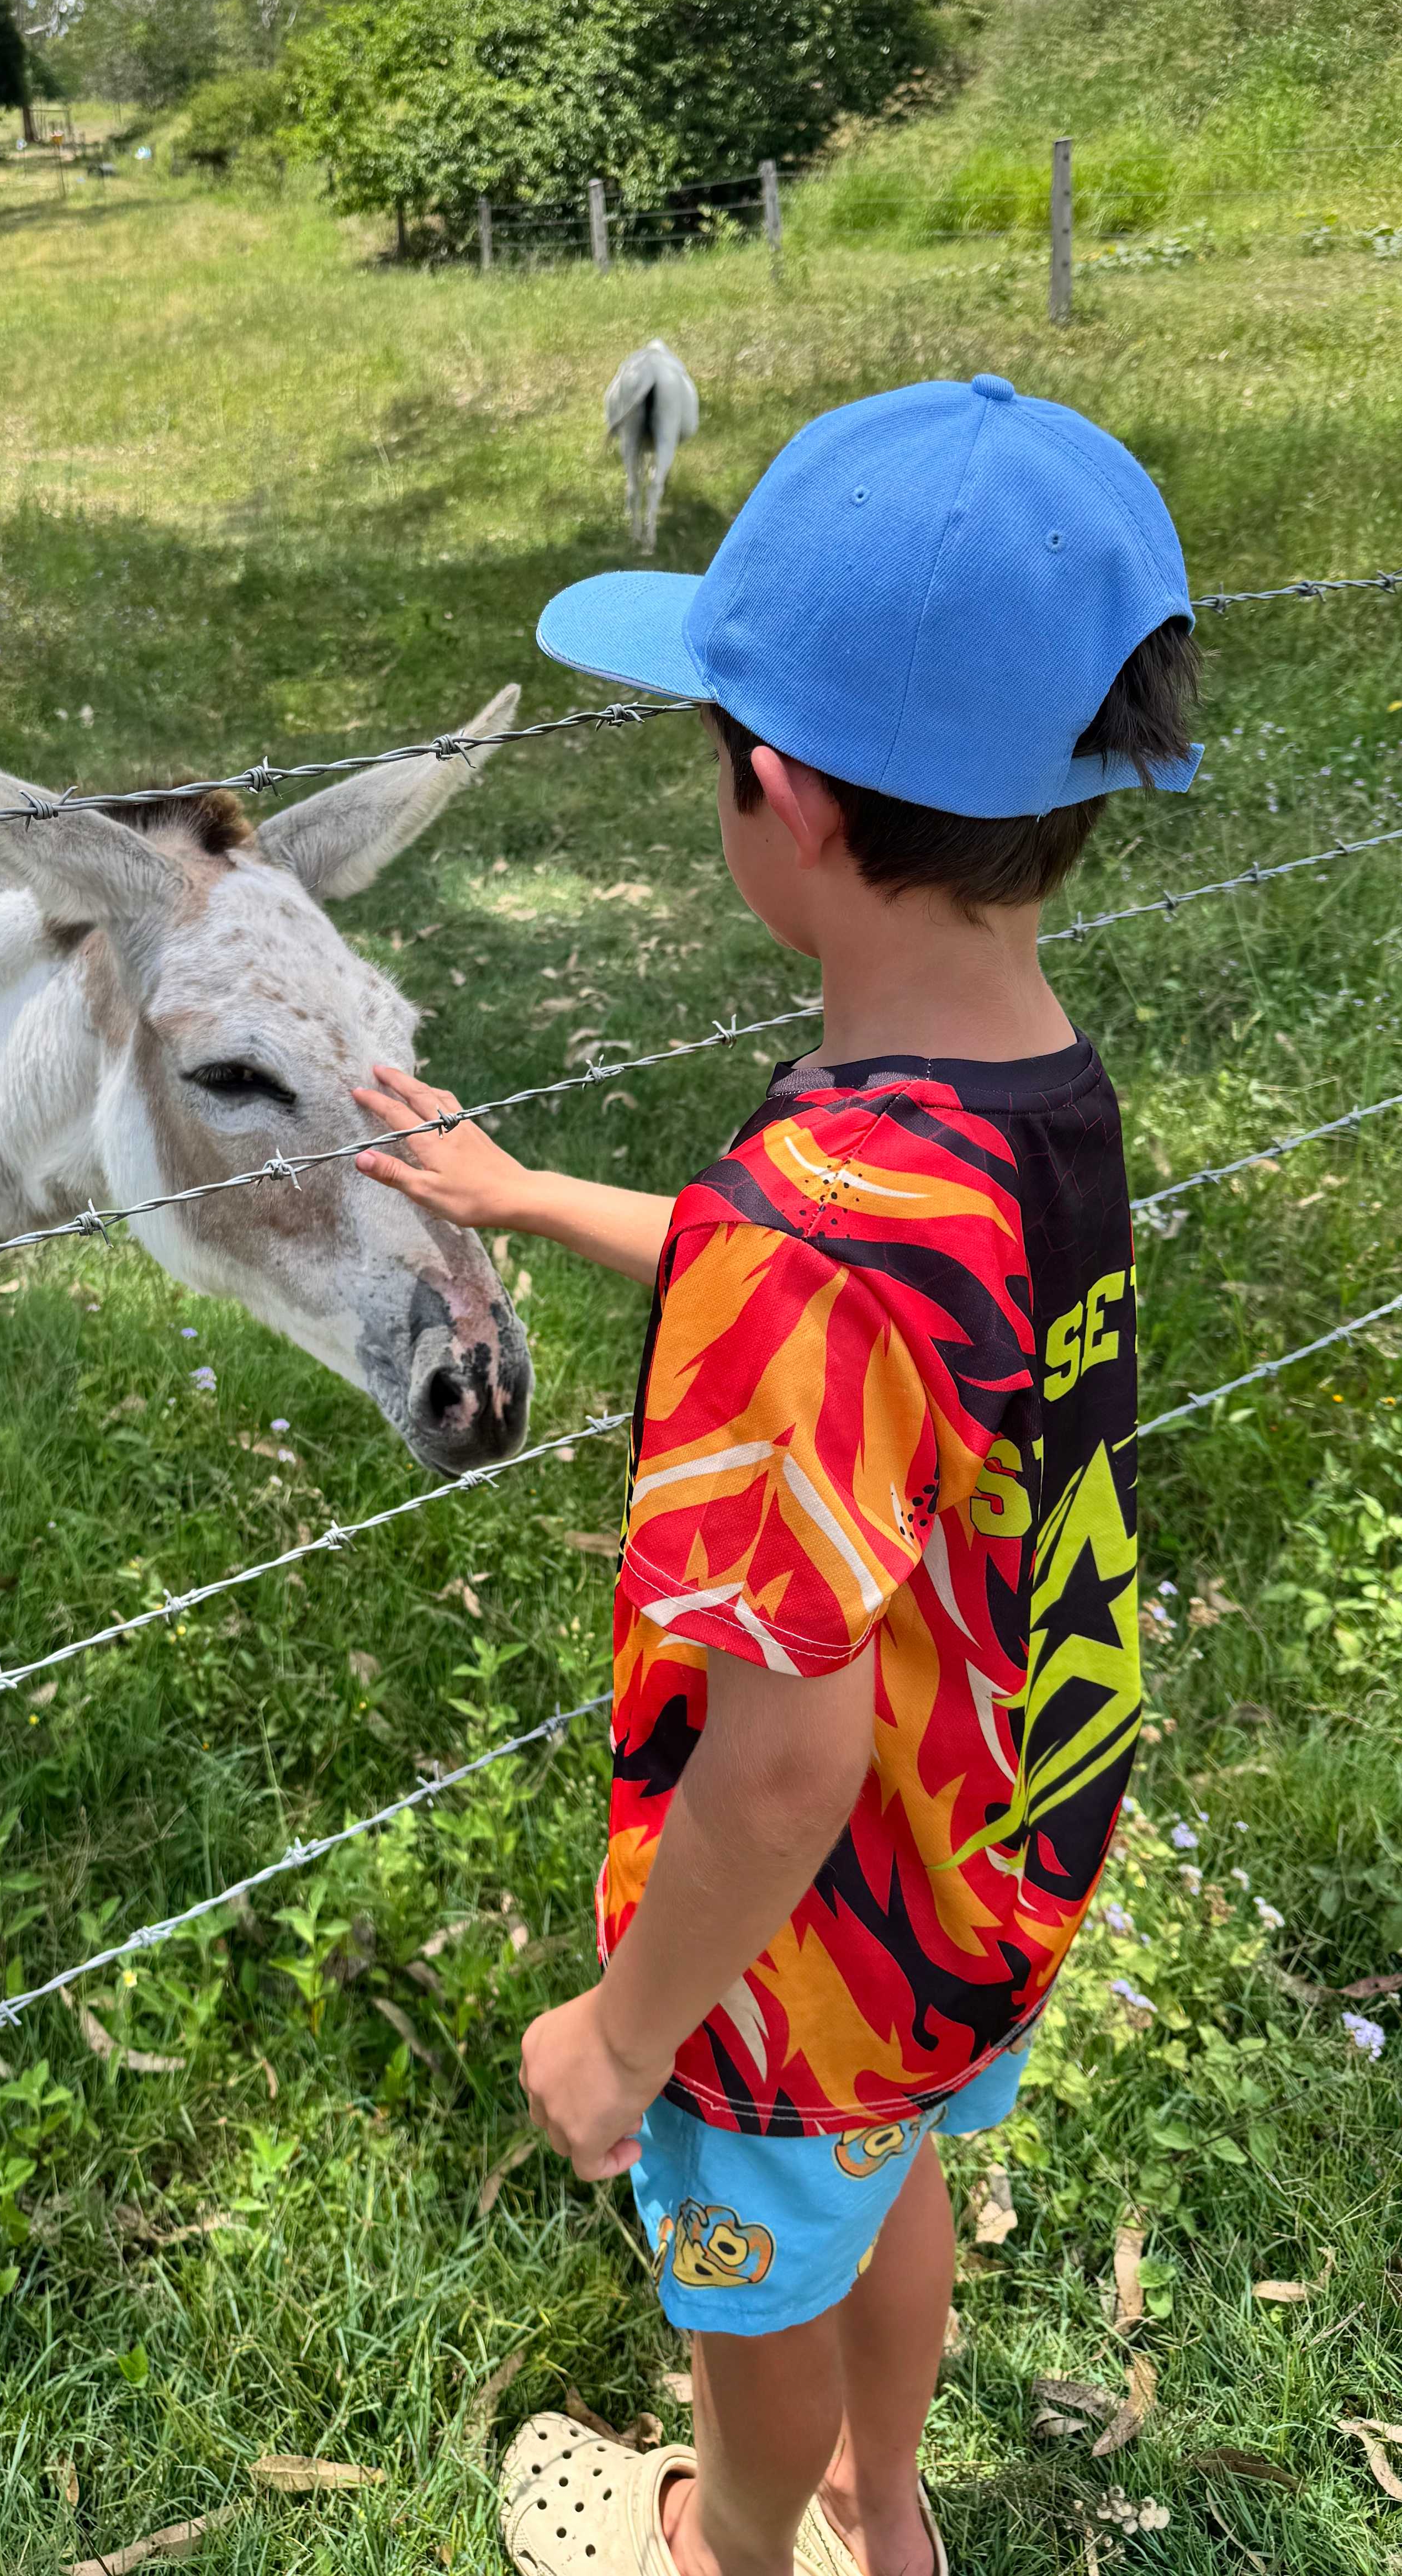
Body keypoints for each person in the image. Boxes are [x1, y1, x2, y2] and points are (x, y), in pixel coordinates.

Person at [353, 376, 1201, 2576]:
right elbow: (851, 1323)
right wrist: (539, 1198)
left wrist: (628, 2036)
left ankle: (734, 2539)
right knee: (897, 2173)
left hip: (790, 1963)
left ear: (787, 798)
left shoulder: (821, 1232)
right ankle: (887, 2511)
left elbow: (775, 1764)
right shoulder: (1025, 1098)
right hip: (990, 1862)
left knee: (756, 2311)